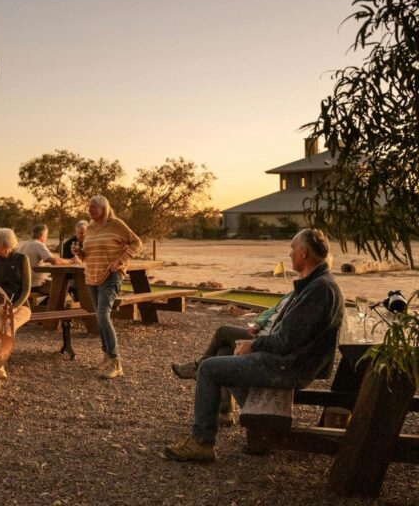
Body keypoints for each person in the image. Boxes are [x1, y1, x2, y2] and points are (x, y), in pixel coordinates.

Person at [163, 229, 343, 462]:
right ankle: (243, 421)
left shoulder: (319, 289)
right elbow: (289, 335)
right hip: (291, 361)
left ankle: (202, 442)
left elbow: (286, 341)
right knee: (226, 350)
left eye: (292, 249)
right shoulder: (318, 283)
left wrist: (254, 345)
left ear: (303, 253)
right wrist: (255, 340)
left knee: (208, 369)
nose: (289, 254)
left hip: (288, 367)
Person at [170, 291, 293, 425]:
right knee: (224, 351)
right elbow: (269, 312)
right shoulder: (291, 294)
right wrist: (258, 324)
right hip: (260, 333)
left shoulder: (302, 300)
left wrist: (258, 339)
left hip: (265, 342)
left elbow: (285, 335)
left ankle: (198, 367)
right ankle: (224, 412)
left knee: (223, 332)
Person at [78, 196, 142, 380]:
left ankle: (116, 363)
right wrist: (80, 253)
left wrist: (121, 261)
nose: (89, 210)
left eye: (93, 207)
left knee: (102, 315)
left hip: (111, 276)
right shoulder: (90, 228)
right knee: (99, 317)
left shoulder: (116, 224)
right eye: (89, 207)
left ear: (103, 208)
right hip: (92, 276)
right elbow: (89, 254)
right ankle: (106, 356)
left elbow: (136, 243)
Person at [0, 229, 33, 379]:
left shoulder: (22, 259)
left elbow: (26, 289)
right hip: (0, 305)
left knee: (8, 326)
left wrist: (16, 306)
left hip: (21, 306)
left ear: (6, 243)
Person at [17, 224, 77, 294]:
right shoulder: (39, 244)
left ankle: (49, 301)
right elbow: (54, 261)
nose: (46, 238)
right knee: (62, 287)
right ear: (42, 235)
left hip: (23, 284)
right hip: (35, 284)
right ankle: (51, 302)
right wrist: (72, 260)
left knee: (56, 285)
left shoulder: (24, 244)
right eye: (46, 235)